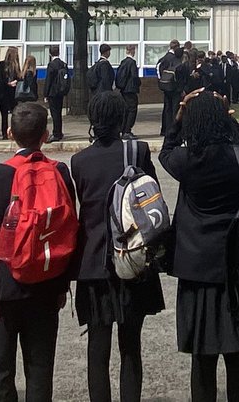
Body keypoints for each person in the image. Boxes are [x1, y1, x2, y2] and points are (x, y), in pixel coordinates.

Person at [0, 101, 73, 401]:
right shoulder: (60, 171)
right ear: (46, 135)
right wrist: (63, 284)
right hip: (46, 281)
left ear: (9, 132)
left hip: (2, 282)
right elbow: (69, 229)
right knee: (40, 368)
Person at [160, 89, 239, 402]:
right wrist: (231, 118)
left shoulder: (188, 160)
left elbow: (165, 152)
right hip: (237, 260)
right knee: (238, 352)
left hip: (196, 262)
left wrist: (178, 121)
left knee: (202, 356)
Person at [71, 91, 164, 402]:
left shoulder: (79, 161)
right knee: (130, 347)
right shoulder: (137, 151)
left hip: (94, 260)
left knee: (97, 347)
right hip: (131, 256)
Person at [42, 45, 70, 142]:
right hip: (61, 92)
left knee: (54, 114)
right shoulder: (63, 64)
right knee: (58, 112)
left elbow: (48, 80)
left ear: (50, 53)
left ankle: (56, 133)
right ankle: (59, 132)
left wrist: (45, 93)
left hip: (53, 93)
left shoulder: (51, 65)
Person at [115, 46, 141, 140]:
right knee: (132, 110)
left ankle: (123, 129)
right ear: (133, 51)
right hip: (130, 90)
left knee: (125, 110)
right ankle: (127, 130)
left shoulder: (123, 62)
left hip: (123, 90)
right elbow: (134, 77)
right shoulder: (132, 63)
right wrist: (138, 84)